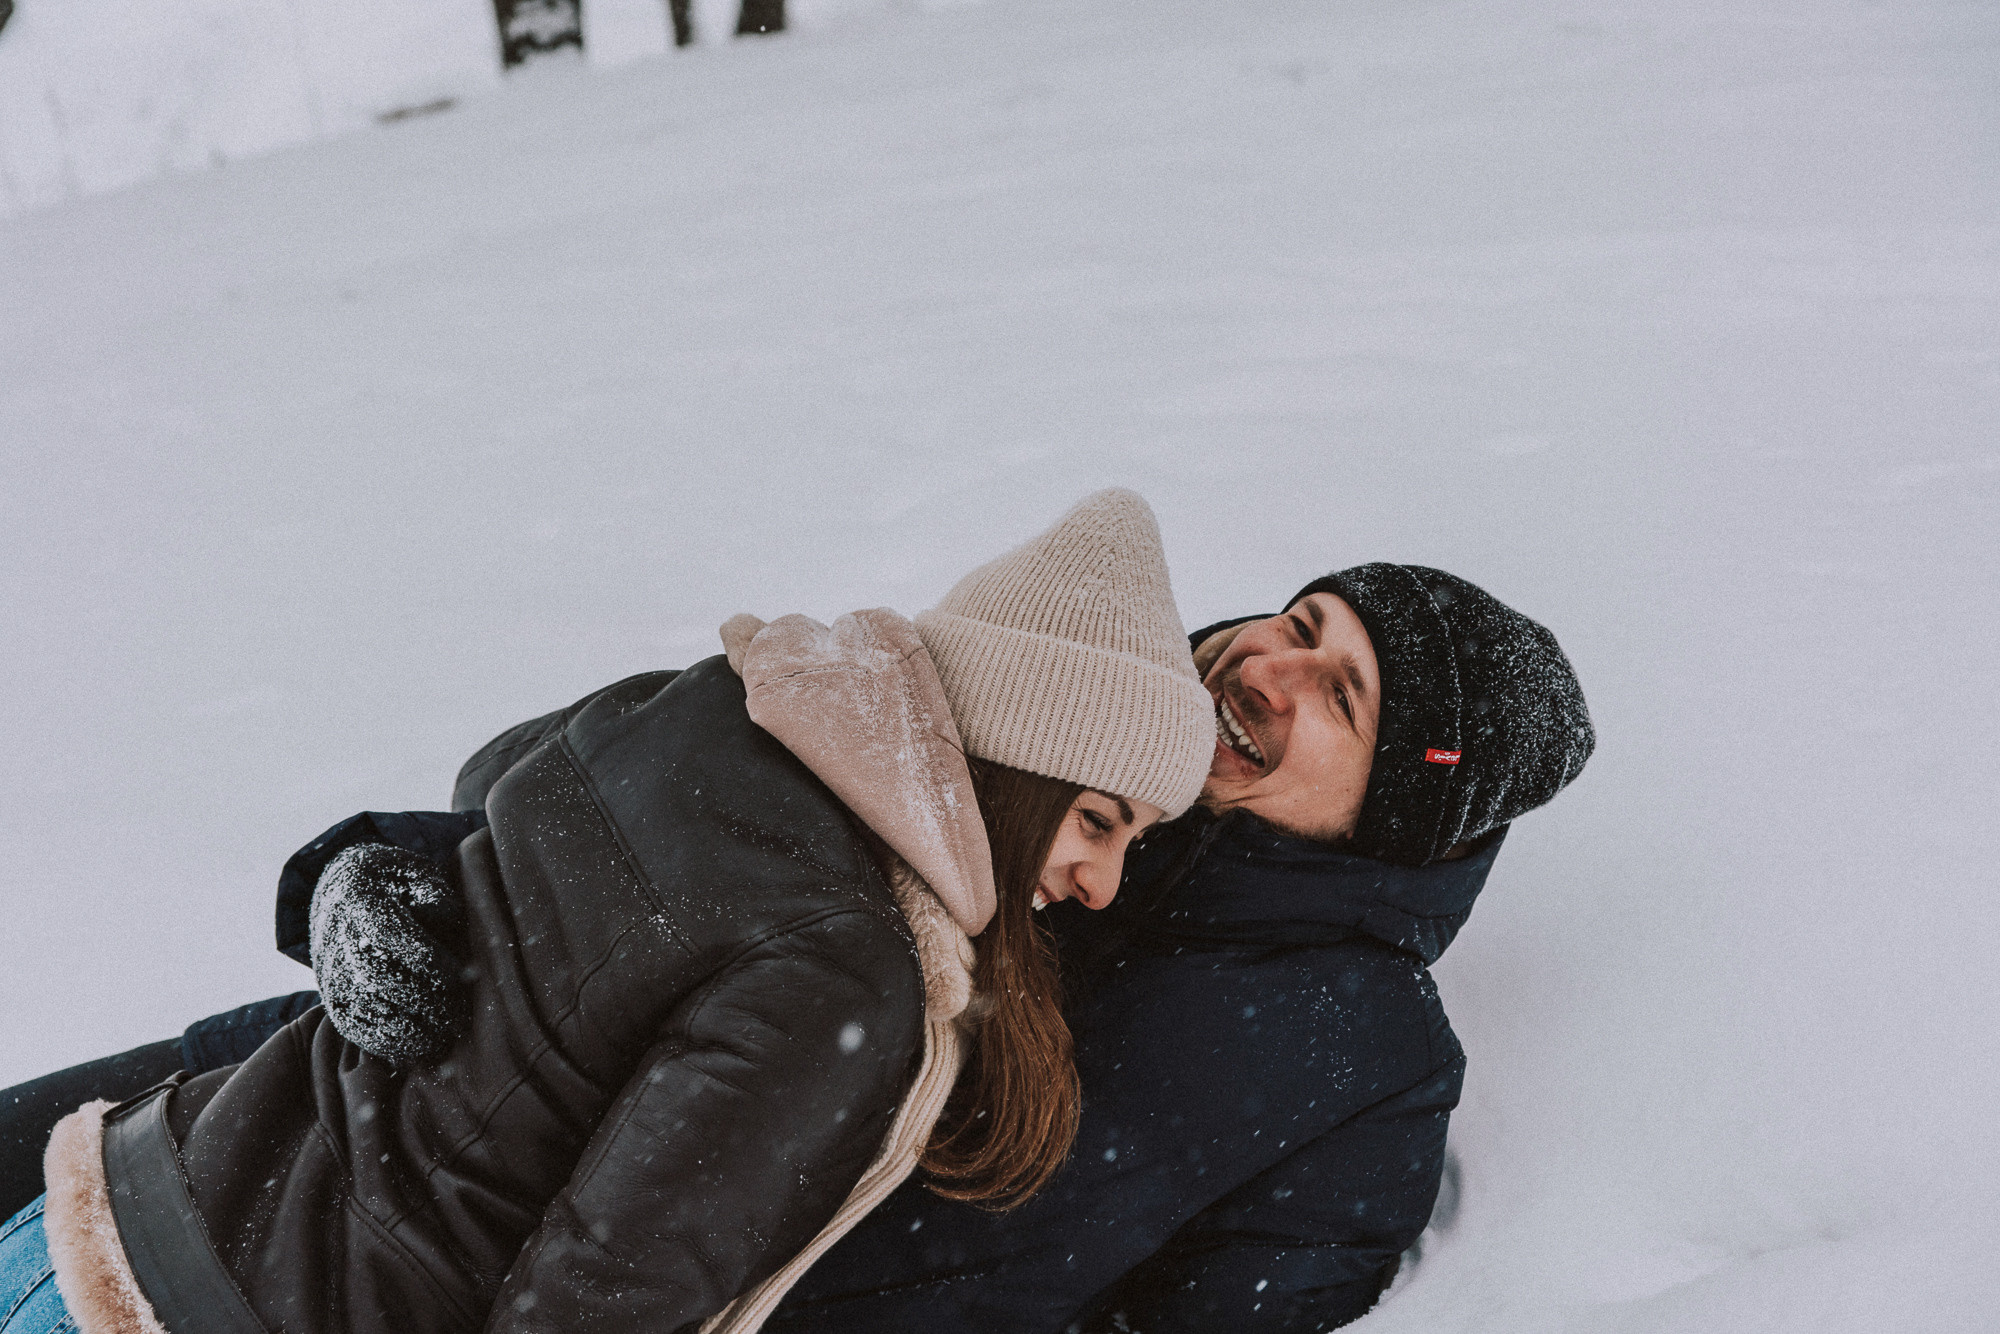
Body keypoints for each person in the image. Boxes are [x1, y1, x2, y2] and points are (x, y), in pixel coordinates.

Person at [0, 559, 1594, 1334]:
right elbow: (643, 834)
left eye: (1345, 693)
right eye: (1304, 621)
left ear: (1400, 812)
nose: (1272, 662)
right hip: (308, 1163)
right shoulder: (1044, 712)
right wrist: (357, 880)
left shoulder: (1356, 1075)